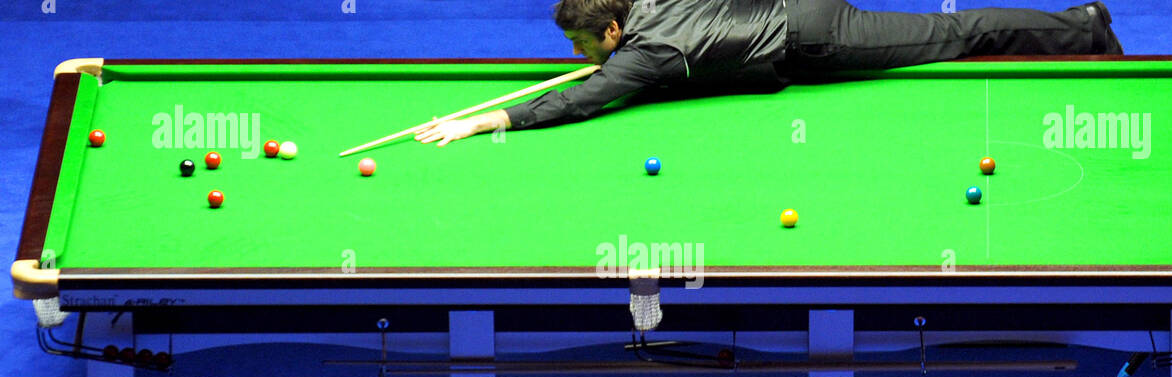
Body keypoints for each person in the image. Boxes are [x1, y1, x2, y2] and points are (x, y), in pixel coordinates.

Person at [415, 0, 1123, 146]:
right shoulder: (644, 9)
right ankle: (1075, 24)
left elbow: (584, 101)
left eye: (581, 43)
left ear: (610, 29)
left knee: (949, 37)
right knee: (947, 33)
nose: (577, 58)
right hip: (795, 12)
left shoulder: (639, 56)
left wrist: (492, 117)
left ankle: (1083, 27)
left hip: (813, 38)